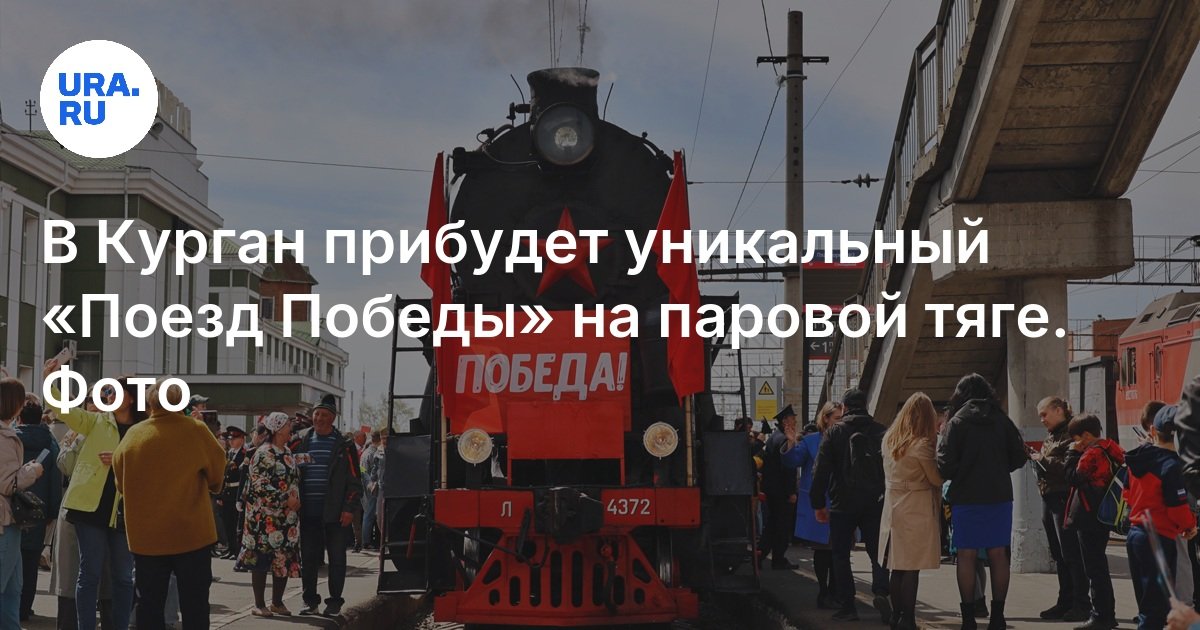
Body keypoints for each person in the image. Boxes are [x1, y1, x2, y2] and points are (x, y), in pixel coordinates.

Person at [112, 378, 226, 630]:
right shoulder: (196, 431)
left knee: (149, 606)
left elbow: (121, 483)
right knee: (195, 606)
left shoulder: (134, 435)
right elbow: (217, 474)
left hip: (147, 537)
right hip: (192, 534)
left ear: (150, 404)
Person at [45, 362, 142, 630]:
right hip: (89, 507)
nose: (108, 396)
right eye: (108, 392)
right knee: (89, 574)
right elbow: (65, 410)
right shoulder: (97, 421)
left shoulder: (142, 430)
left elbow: (152, 466)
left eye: (114, 392)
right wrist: (50, 380)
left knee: (123, 577)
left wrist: (121, 460)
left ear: (131, 398)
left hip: (125, 509)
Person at [936, 373, 1026, 630]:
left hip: (966, 497)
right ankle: (998, 617)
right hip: (999, 496)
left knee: (966, 555)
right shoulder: (1002, 420)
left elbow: (944, 465)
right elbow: (1019, 457)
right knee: (998, 554)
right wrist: (998, 467)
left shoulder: (957, 422)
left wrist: (962, 471)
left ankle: (968, 619)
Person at [811, 389, 890, 624]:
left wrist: (818, 504)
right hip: (874, 501)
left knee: (841, 555)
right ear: (865, 405)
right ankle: (882, 590)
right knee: (877, 551)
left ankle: (848, 606)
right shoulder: (881, 430)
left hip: (842, 502)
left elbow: (820, 471)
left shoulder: (834, 432)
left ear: (844, 408)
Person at [1125, 404, 1197, 630]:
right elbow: (1177, 508)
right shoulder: (1172, 466)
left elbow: (1126, 494)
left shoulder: (1136, 459)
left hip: (1135, 533)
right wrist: (1190, 526)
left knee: (1145, 603)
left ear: (1153, 431)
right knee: (1157, 608)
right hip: (1159, 539)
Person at [293, 394, 362, 617]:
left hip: (336, 513)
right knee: (308, 559)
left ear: (332, 418)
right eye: (316, 414)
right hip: (308, 512)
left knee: (337, 559)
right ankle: (309, 601)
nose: (319, 419)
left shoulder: (344, 445)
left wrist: (349, 508)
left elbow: (355, 481)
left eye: (324, 415)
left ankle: (334, 603)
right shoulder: (300, 441)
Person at [879, 393, 943, 630]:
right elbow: (935, 478)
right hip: (915, 508)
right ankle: (908, 619)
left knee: (896, 567)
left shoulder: (889, 440)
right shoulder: (921, 445)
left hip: (892, 507)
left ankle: (896, 615)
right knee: (911, 568)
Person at [1029, 396, 1091, 622]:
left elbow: (1069, 465)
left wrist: (1042, 459)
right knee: (1059, 553)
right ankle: (1065, 600)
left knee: (1071, 553)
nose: (1042, 420)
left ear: (1058, 410)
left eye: (1044, 414)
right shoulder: (1053, 435)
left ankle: (1081, 603)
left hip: (1064, 497)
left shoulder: (1072, 433)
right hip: (1050, 496)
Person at [235, 412, 301, 617]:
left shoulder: (287, 452)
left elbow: (293, 480)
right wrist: (285, 498)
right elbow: (259, 484)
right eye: (288, 425)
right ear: (278, 429)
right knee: (261, 559)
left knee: (282, 558)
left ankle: (277, 603)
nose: (291, 429)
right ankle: (259, 604)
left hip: (285, 518)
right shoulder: (263, 453)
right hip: (263, 518)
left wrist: (295, 499)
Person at [1063, 413, 1123, 630]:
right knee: (1099, 565)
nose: (1075, 443)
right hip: (1103, 513)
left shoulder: (1092, 453)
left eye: (1076, 439)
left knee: (1094, 568)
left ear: (1086, 435)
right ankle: (1108, 614)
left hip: (1089, 514)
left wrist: (1071, 454)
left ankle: (1101, 616)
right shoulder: (1111, 448)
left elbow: (1072, 477)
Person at [781, 401, 842, 608]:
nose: (840, 422)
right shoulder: (811, 441)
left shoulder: (847, 438)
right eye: (837, 418)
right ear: (825, 418)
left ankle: (834, 592)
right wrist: (791, 443)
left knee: (839, 550)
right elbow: (792, 461)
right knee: (823, 551)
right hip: (819, 503)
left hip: (840, 502)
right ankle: (824, 591)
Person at [0, 378, 46, 627]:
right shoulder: (5, 437)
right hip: (4, 521)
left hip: (8, 521)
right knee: (7, 588)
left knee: (12, 589)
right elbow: (8, 484)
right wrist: (33, 470)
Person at [15, 401, 62, 621]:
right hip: (38, 509)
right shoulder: (50, 443)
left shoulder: (11, 438)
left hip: (12, 506)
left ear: (19, 417)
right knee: (30, 561)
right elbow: (55, 480)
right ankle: (25, 607)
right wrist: (52, 511)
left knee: (10, 558)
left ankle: (9, 608)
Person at [760, 405, 800, 571]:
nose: (795, 422)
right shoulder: (784, 440)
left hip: (772, 490)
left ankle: (761, 554)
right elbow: (788, 468)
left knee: (772, 524)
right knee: (782, 526)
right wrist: (791, 491)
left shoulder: (773, 438)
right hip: (782, 492)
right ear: (785, 421)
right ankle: (778, 558)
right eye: (793, 419)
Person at [218, 426, 248, 560]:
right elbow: (224, 475)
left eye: (234, 439)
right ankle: (230, 548)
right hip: (227, 492)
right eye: (230, 439)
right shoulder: (229, 453)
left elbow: (242, 476)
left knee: (236, 523)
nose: (231, 441)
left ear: (242, 439)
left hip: (236, 492)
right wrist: (220, 494)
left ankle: (236, 550)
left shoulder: (244, 454)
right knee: (227, 523)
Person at [360, 431, 383, 551]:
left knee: (368, 513)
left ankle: (366, 541)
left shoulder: (365, 453)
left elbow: (363, 470)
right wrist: (371, 484)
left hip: (367, 485)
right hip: (373, 486)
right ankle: (366, 542)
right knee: (370, 514)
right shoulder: (374, 453)